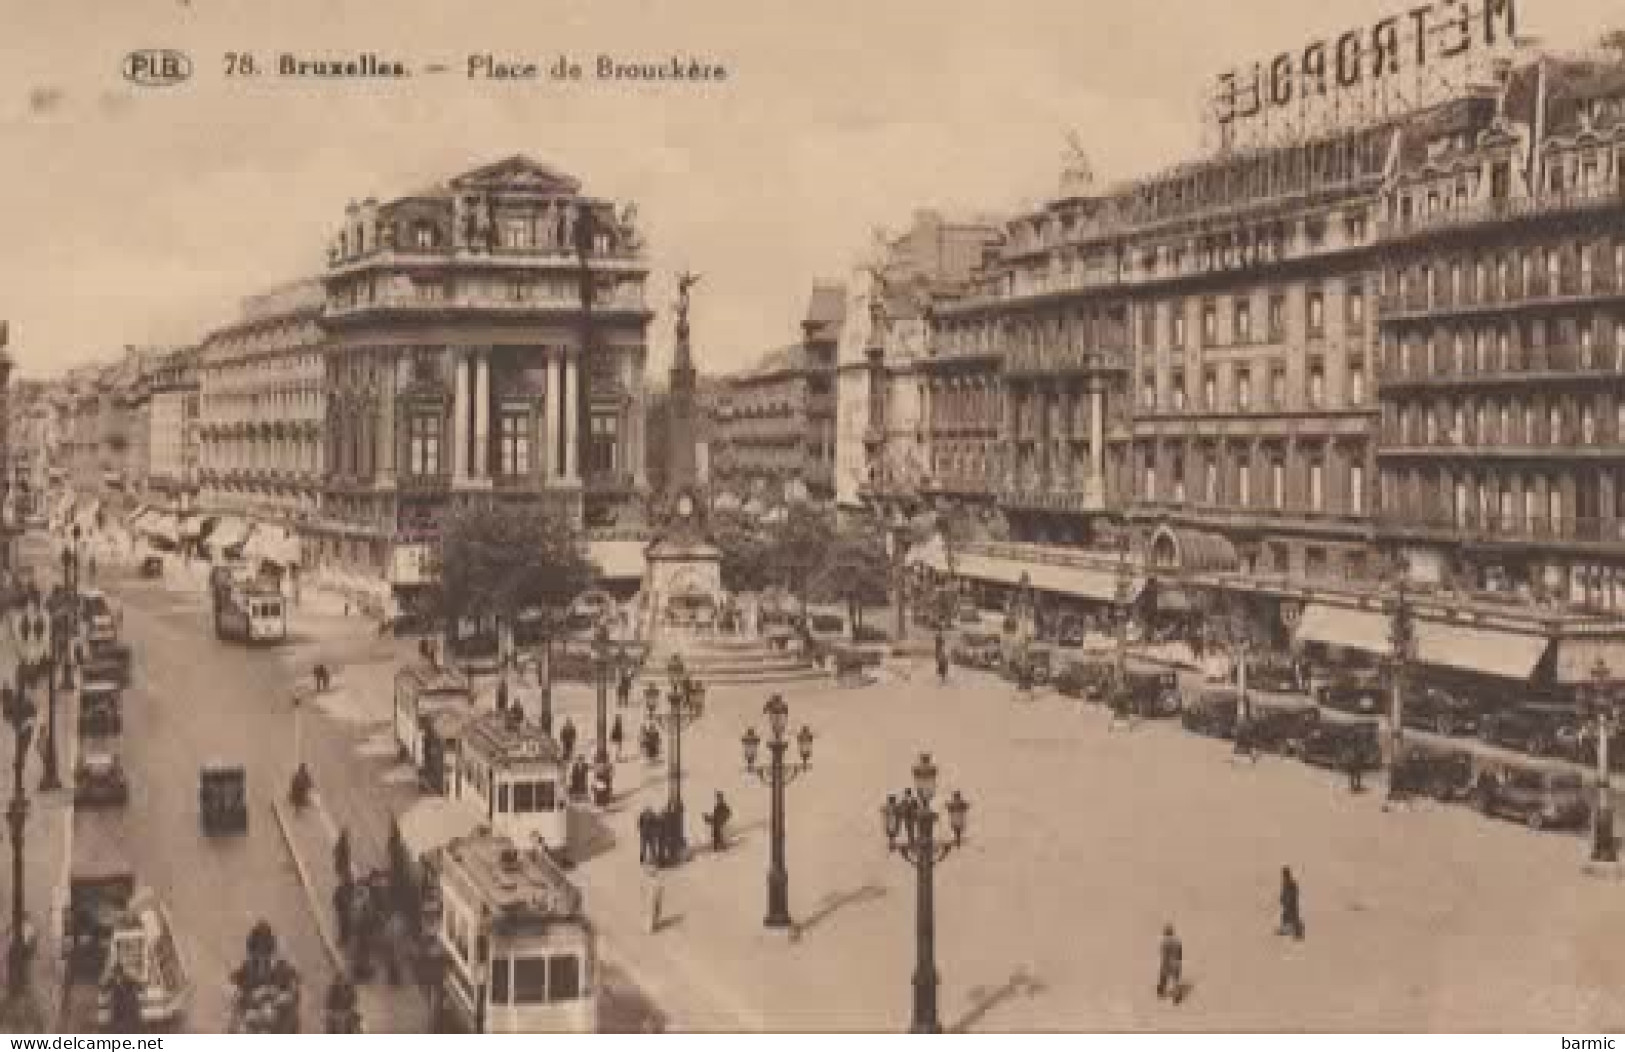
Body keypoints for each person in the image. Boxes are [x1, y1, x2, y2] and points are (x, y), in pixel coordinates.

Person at [106, 961, 143, 1033]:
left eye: (118, 973)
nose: (117, 976)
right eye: (115, 974)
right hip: (119, 1008)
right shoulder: (112, 980)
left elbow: (139, 987)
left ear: (121, 973)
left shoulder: (128, 979)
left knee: (129, 1026)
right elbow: (105, 988)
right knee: (119, 1025)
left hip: (128, 1008)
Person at [1157, 924, 1184, 1003]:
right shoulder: (1178, 941)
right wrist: (1178, 962)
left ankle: (1161, 992)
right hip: (1176, 963)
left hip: (1167, 962)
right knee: (1175, 981)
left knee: (1163, 977)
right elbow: (1180, 953)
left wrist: (1164, 963)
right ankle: (1176, 998)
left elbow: (1164, 954)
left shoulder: (1164, 942)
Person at [1279, 866, 1304, 940]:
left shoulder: (1292, 883)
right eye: (1283, 874)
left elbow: (1294, 892)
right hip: (1287, 903)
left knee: (1293, 917)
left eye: (1285, 874)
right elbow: (1284, 892)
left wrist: (1290, 899)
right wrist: (1282, 898)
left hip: (1292, 904)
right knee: (1285, 916)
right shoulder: (1285, 883)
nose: (1284, 876)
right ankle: (1285, 930)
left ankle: (1298, 933)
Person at [643, 863, 665, 934]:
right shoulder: (652, 881)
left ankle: (653, 925)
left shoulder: (657, 880)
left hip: (655, 894)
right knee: (653, 908)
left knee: (655, 908)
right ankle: (651, 926)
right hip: (653, 895)